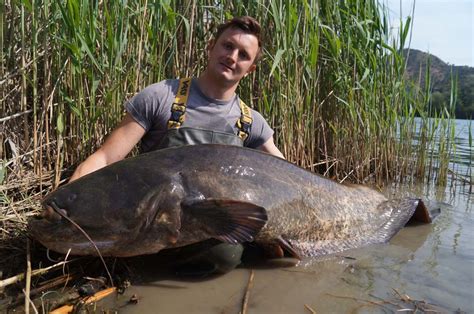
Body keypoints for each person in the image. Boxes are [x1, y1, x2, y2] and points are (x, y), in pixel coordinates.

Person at [69, 16, 284, 275]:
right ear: (211, 47)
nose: (232, 56)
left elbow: (285, 177)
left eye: (243, 54)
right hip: (157, 233)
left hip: (219, 237)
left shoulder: (251, 122)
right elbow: (105, 158)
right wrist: (71, 204)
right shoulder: (162, 97)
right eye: (227, 46)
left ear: (250, 69)